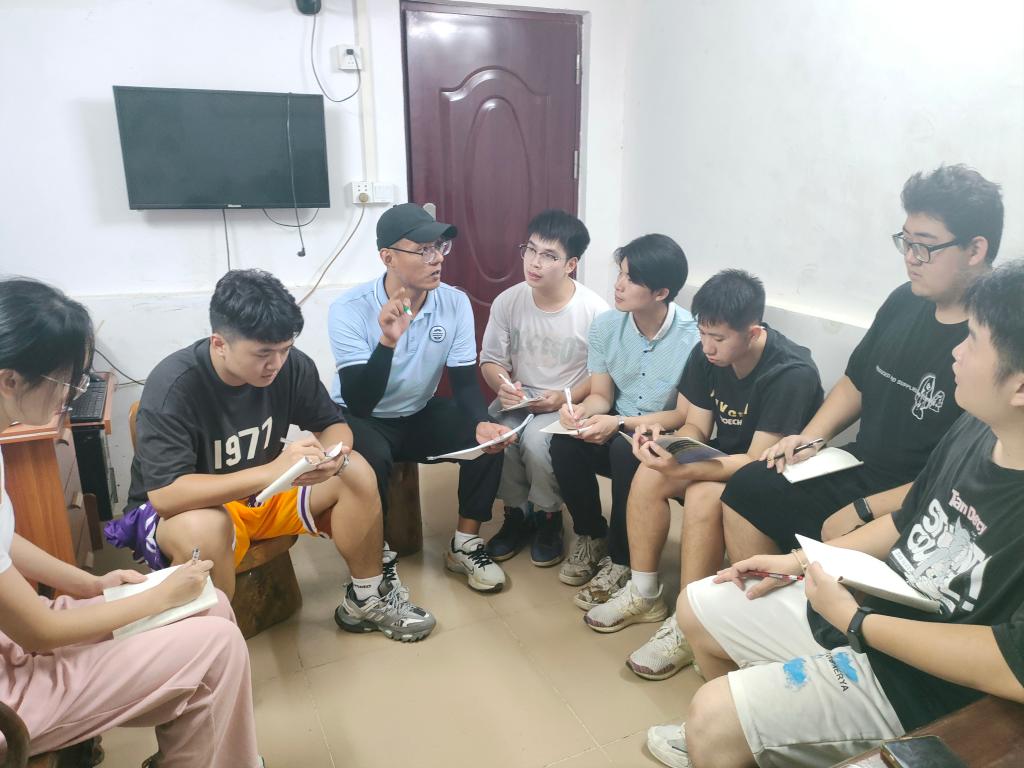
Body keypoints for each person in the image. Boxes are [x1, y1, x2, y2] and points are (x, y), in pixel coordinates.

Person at [648, 260, 1024, 768]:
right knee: (698, 603)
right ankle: (760, 738)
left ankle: (736, 734)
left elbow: (1011, 664)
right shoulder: (977, 429)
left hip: (922, 679)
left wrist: (855, 620)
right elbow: (904, 521)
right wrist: (798, 562)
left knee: (710, 716)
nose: (956, 350)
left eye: (973, 340)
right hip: (873, 614)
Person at [0, 278, 262, 767]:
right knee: (217, 644)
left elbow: (4, 541)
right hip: (10, 693)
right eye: (66, 382)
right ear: (10, 380)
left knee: (210, 608)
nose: (71, 397)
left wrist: (90, 584)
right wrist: (159, 597)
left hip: (14, 639)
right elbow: (38, 632)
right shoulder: (178, 381)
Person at [106, 269, 435, 642]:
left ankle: (367, 599)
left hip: (260, 494)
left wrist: (332, 456)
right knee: (206, 527)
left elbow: (334, 425)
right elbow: (167, 495)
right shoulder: (175, 385)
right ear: (219, 344)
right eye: (263, 353)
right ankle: (213, 642)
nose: (276, 364)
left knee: (354, 469)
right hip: (186, 511)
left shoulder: (290, 366)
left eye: (285, 349)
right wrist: (271, 472)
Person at [721, 165, 1003, 563]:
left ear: (975, 250)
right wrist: (811, 437)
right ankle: (768, 592)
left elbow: (967, 477)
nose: (911, 258)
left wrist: (866, 509)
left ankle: (816, 595)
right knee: (747, 487)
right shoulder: (905, 300)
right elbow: (857, 380)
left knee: (843, 539)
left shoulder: (996, 342)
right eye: (905, 242)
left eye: (925, 247)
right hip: (860, 465)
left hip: (922, 496)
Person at [584, 270, 823, 681]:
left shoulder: (790, 372)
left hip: (767, 475)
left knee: (702, 496)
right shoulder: (707, 354)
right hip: (724, 458)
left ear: (753, 332)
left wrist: (689, 466)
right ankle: (644, 593)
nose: (708, 346)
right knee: (650, 471)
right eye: (702, 333)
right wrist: (672, 447)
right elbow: (696, 425)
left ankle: (688, 621)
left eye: (719, 338)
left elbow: (755, 461)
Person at [329, 203, 513, 592]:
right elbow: (359, 401)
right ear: (388, 257)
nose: (437, 259)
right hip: (361, 416)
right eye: (423, 250)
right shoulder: (349, 309)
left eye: (440, 247)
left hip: (416, 411)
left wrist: (481, 423)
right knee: (369, 460)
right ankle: (374, 559)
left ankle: (465, 544)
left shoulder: (454, 302)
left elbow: (465, 384)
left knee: (488, 439)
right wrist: (387, 341)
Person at [548, 234, 698, 603]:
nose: (618, 285)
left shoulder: (692, 336)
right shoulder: (605, 327)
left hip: (665, 436)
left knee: (624, 451)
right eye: (620, 273)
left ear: (661, 293)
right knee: (564, 443)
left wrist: (618, 424)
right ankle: (591, 535)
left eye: (631, 279)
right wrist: (581, 412)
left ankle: (623, 560)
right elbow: (602, 396)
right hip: (621, 425)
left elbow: (682, 414)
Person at [480, 209, 608, 567]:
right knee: (502, 435)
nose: (534, 262)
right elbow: (490, 361)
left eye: (549, 255)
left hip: (566, 401)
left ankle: (548, 517)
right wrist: (503, 386)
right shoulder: (508, 301)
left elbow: (601, 377)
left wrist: (563, 398)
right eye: (530, 250)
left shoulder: (594, 310)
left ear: (571, 265)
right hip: (520, 398)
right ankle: (516, 514)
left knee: (538, 443)